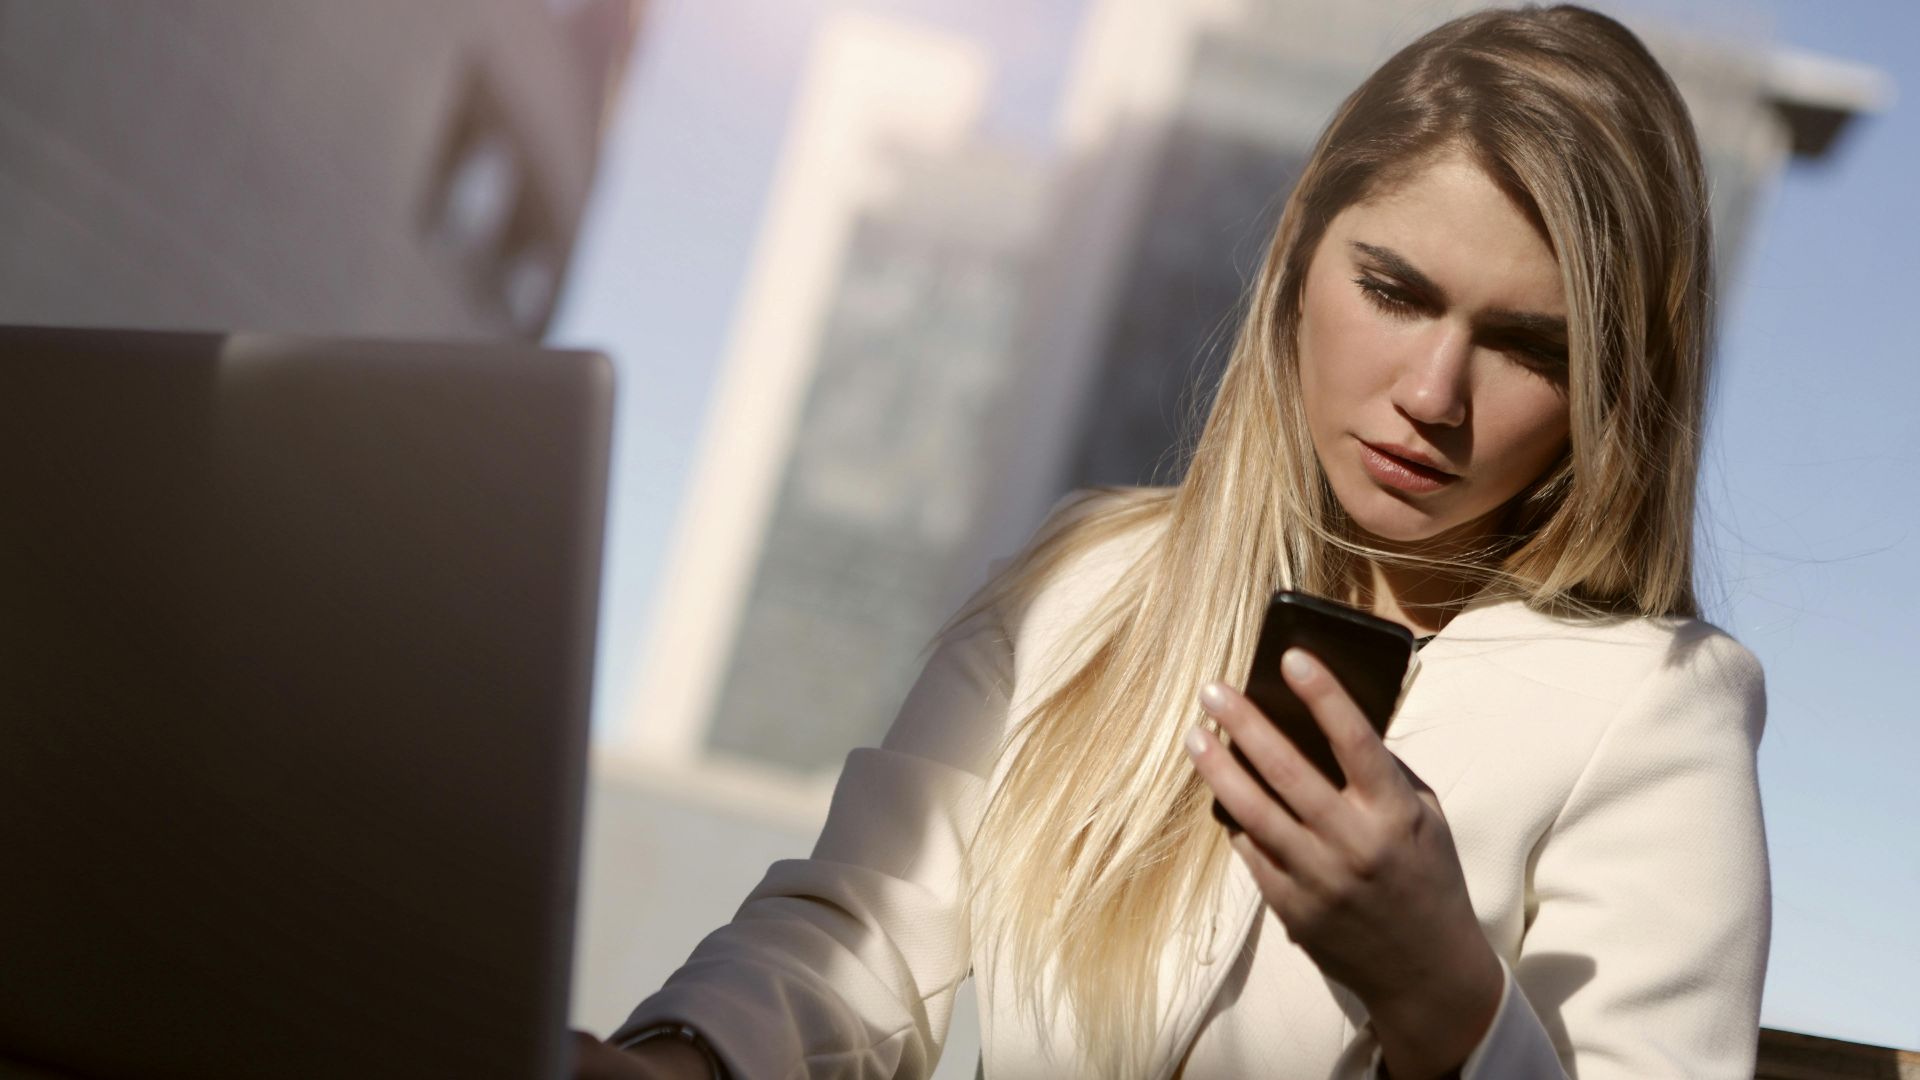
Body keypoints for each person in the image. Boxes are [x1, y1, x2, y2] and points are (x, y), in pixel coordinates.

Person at [574, 4, 1769, 1077]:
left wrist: (1445, 1001)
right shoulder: (1089, 581)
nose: (1432, 393)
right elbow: (865, 936)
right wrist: (682, 1064)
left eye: (1528, 347)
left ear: (1612, 392)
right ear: (1298, 263)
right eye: (1396, 293)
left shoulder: (1654, 713)